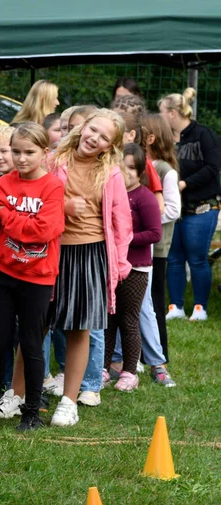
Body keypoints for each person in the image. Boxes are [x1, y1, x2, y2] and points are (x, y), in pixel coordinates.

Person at [0, 122, 65, 431]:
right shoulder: (2, 185)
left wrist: (7, 214)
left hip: (38, 278)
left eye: (29, 152)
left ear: (44, 153)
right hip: (5, 276)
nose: (21, 159)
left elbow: (43, 232)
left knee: (31, 345)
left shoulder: (53, 187)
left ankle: (31, 413)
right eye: (15, 152)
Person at [46, 109, 132, 427]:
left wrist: (121, 264)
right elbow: (35, 199)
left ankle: (70, 402)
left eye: (103, 137)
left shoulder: (110, 173)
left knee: (79, 328)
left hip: (89, 254)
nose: (94, 138)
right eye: (92, 130)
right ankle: (18, 393)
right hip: (50, 251)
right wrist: (63, 208)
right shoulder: (52, 161)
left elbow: (122, 223)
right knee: (37, 322)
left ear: (109, 146)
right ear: (83, 127)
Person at [103, 144, 162, 392]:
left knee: (128, 320)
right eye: (119, 167)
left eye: (130, 168)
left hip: (136, 268)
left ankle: (129, 371)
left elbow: (155, 233)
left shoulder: (144, 197)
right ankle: (103, 368)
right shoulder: (109, 192)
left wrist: (123, 239)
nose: (125, 173)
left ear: (139, 172)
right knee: (107, 320)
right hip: (111, 265)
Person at [159, 88, 221, 322]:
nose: (160, 116)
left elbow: (212, 168)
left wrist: (184, 183)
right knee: (174, 258)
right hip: (175, 208)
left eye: (162, 112)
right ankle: (175, 306)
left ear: (173, 113)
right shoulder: (167, 139)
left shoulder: (204, 135)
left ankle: (200, 308)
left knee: (197, 258)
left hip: (202, 207)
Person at [140, 112, 181, 382]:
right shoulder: (135, 164)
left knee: (154, 303)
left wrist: (146, 220)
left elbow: (173, 210)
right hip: (139, 247)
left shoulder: (165, 169)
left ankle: (159, 356)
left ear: (150, 137)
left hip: (158, 249)